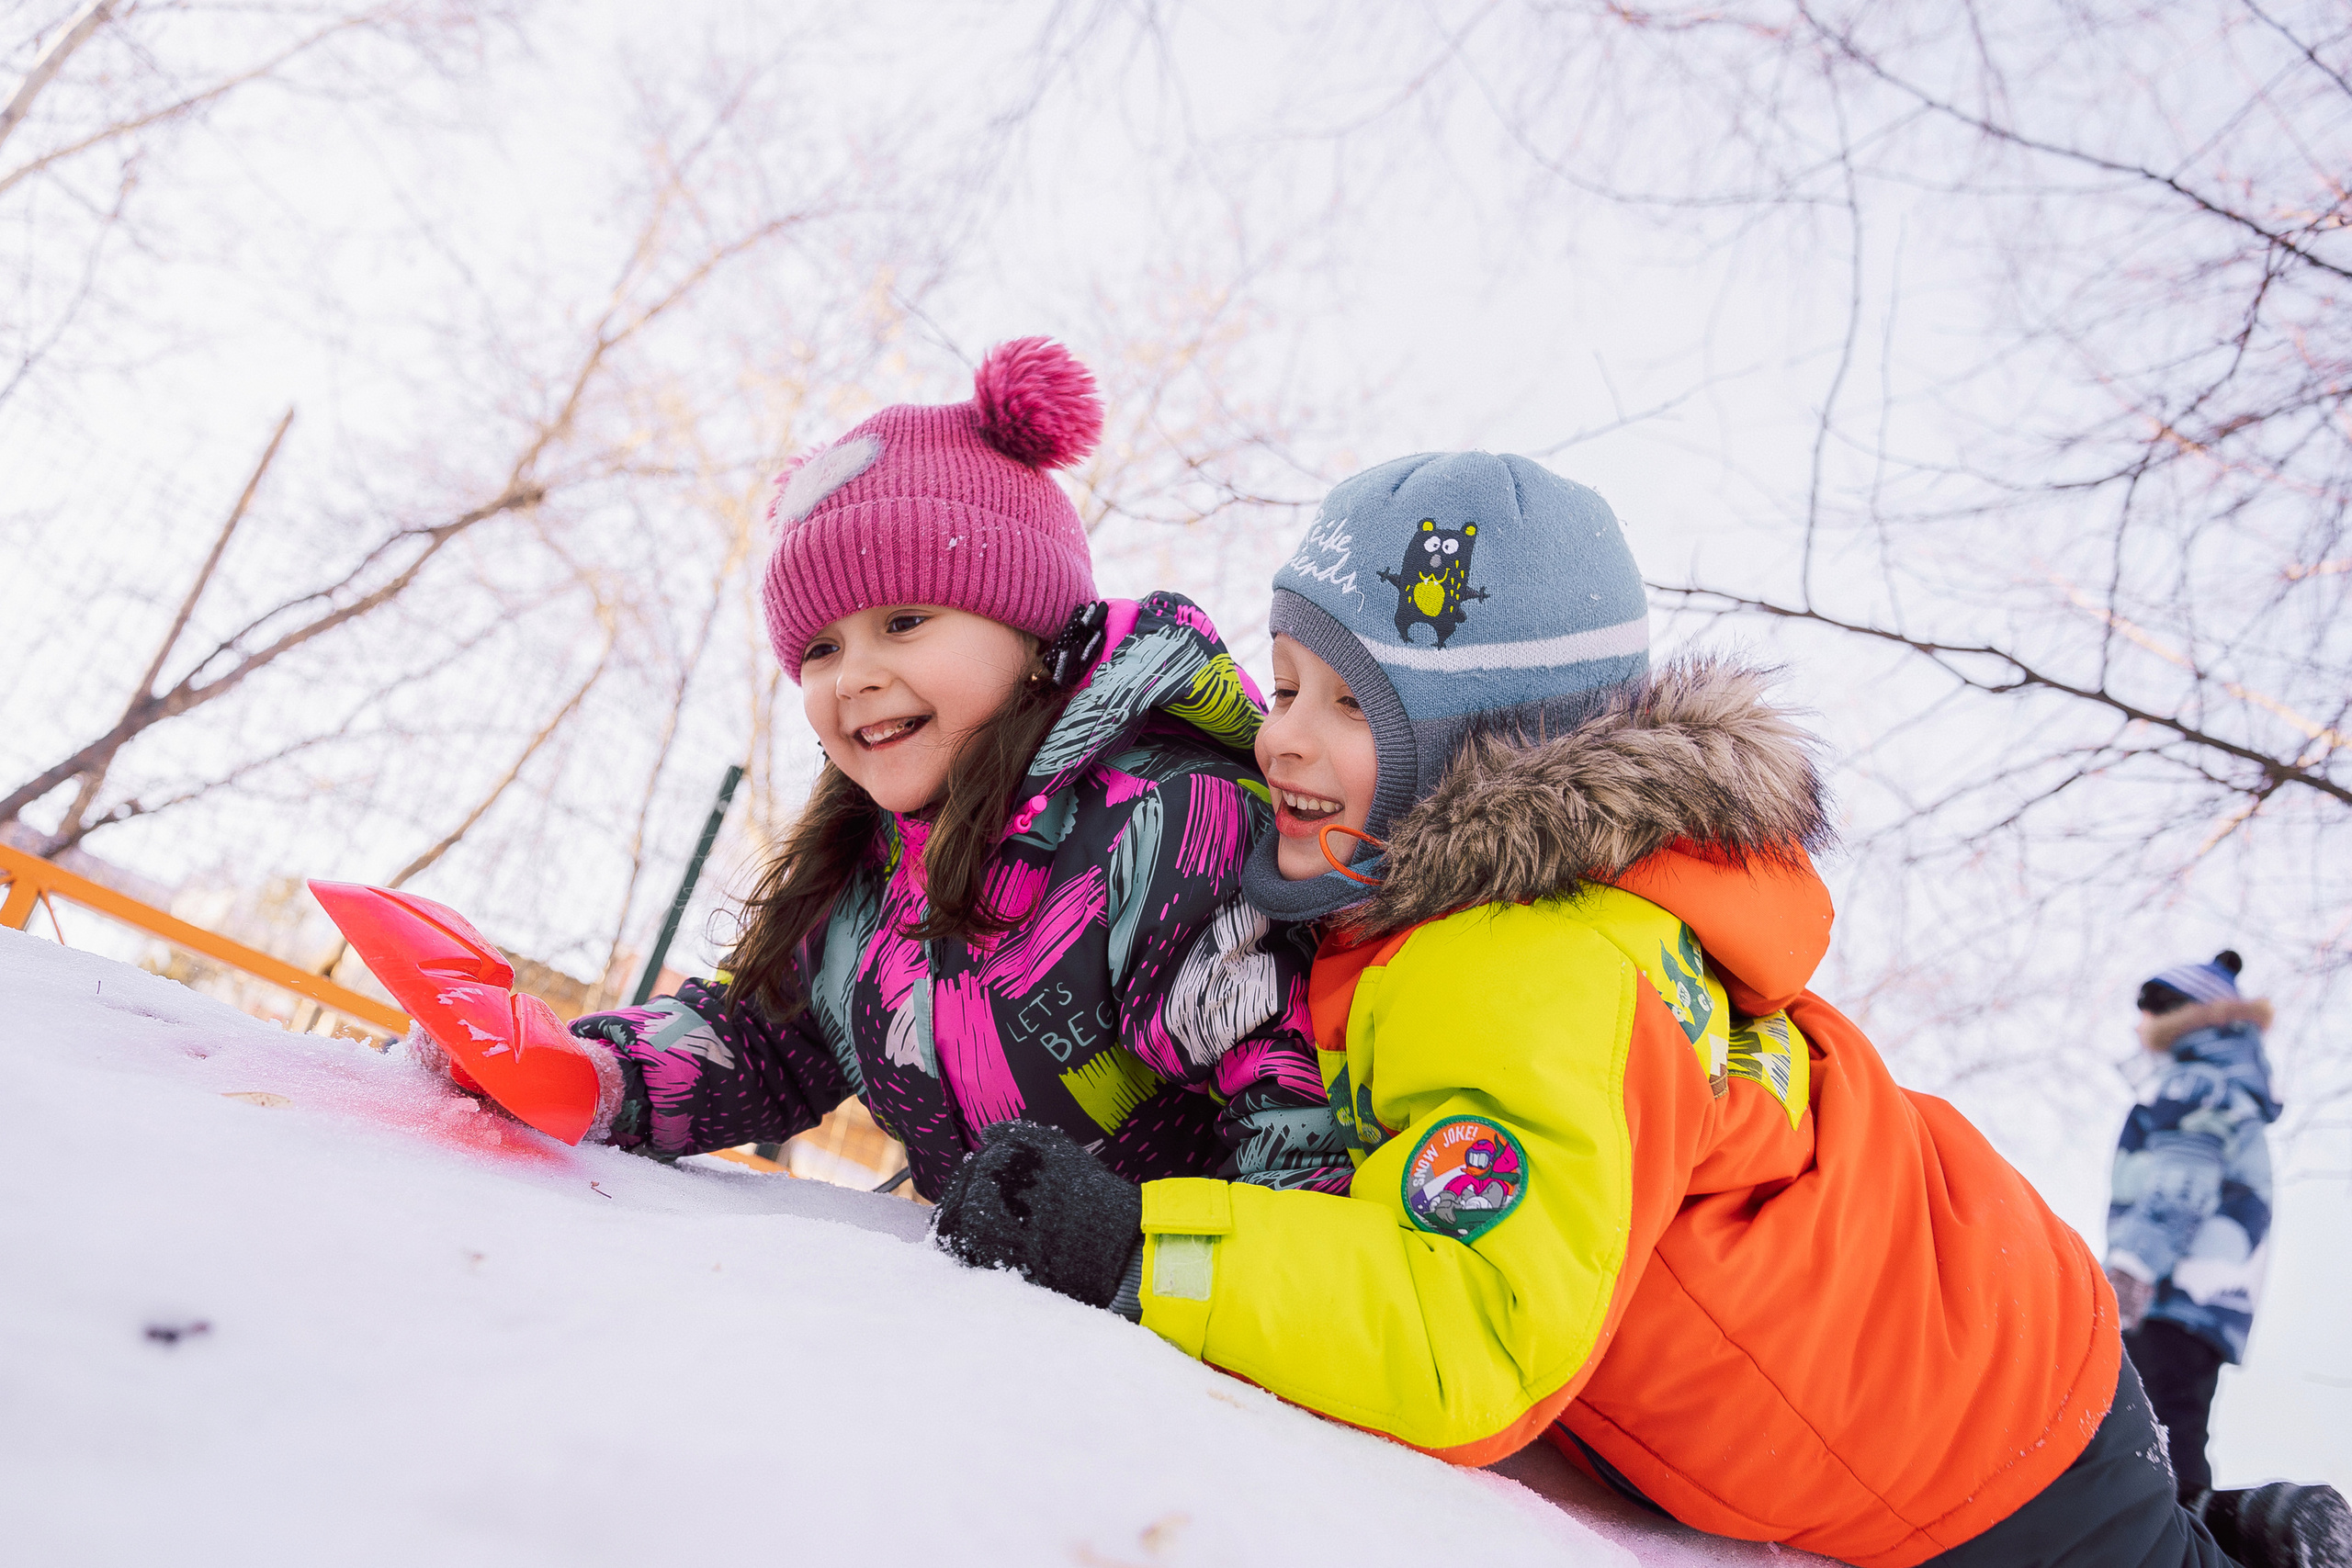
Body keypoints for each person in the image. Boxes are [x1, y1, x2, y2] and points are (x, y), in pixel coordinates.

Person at [927, 450, 2352, 1568]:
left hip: (1972, 1420)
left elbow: (1471, 1325)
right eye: (1285, 680)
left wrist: (1137, 1243)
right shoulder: (1479, 921)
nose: (1280, 732)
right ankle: (2228, 1522)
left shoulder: (1525, 965)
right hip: (1982, 1305)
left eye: (1350, 706)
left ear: (1482, 744)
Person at [415, 338, 1353, 1228]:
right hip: (983, 1300)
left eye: (904, 622)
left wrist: (1163, 1278)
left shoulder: (1165, 823)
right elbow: (765, 1041)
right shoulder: (866, 873)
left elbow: (1288, 1107)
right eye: (820, 649)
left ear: (1033, 632)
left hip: (1167, 1309)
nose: (852, 677)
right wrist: (588, 1074)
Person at [2109, 953, 2335, 1561]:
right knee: (2176, 1437)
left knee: (2147, 1446)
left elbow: (2180, 1185)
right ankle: (2244, 1535)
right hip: (2212, 1303)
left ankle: (2229, 1537)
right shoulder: (2229, 1083)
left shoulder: (2192, 1083)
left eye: (2148, 1011)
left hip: (2167, 1294)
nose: (2138, 1026)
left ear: (2177, 1015)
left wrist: (2129, 1270)